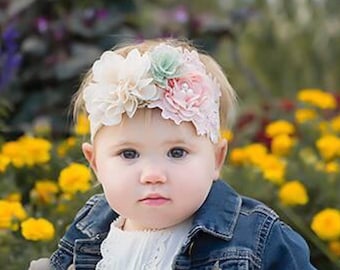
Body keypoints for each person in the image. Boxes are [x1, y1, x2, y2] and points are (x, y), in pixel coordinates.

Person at [29, 38, 317, 270]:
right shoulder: (89, 232)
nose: (153, 174)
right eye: (129, 154)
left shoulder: (256, 237)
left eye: (177, 152)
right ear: (95, 164)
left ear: (216, 160)